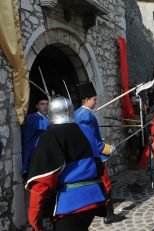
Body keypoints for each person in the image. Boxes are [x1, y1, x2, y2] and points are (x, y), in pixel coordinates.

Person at [25, 97, 107, 231]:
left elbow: (43, 182)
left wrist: (34, 217)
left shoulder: (50, 135)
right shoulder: (86, 130)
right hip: (94, 196)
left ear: (51, 113)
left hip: (71, 203)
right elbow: (99, 164)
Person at [74, 82, 125, 224]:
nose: (96, 102)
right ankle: (109, 215)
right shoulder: (85, 116)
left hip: (88, 155)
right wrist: (107, 148)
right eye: (94, 99)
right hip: (94, 157)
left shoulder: (78, 113)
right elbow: (91, 141)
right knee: (105, 184)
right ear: (86, 100)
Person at [21, 97, 49, 179]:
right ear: (37, 106)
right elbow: (44, 125)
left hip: (44, 154)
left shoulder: (47, 117)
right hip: (33, 155)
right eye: (42, 104)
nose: (45, 106)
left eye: (47, 104)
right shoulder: (31, 118)